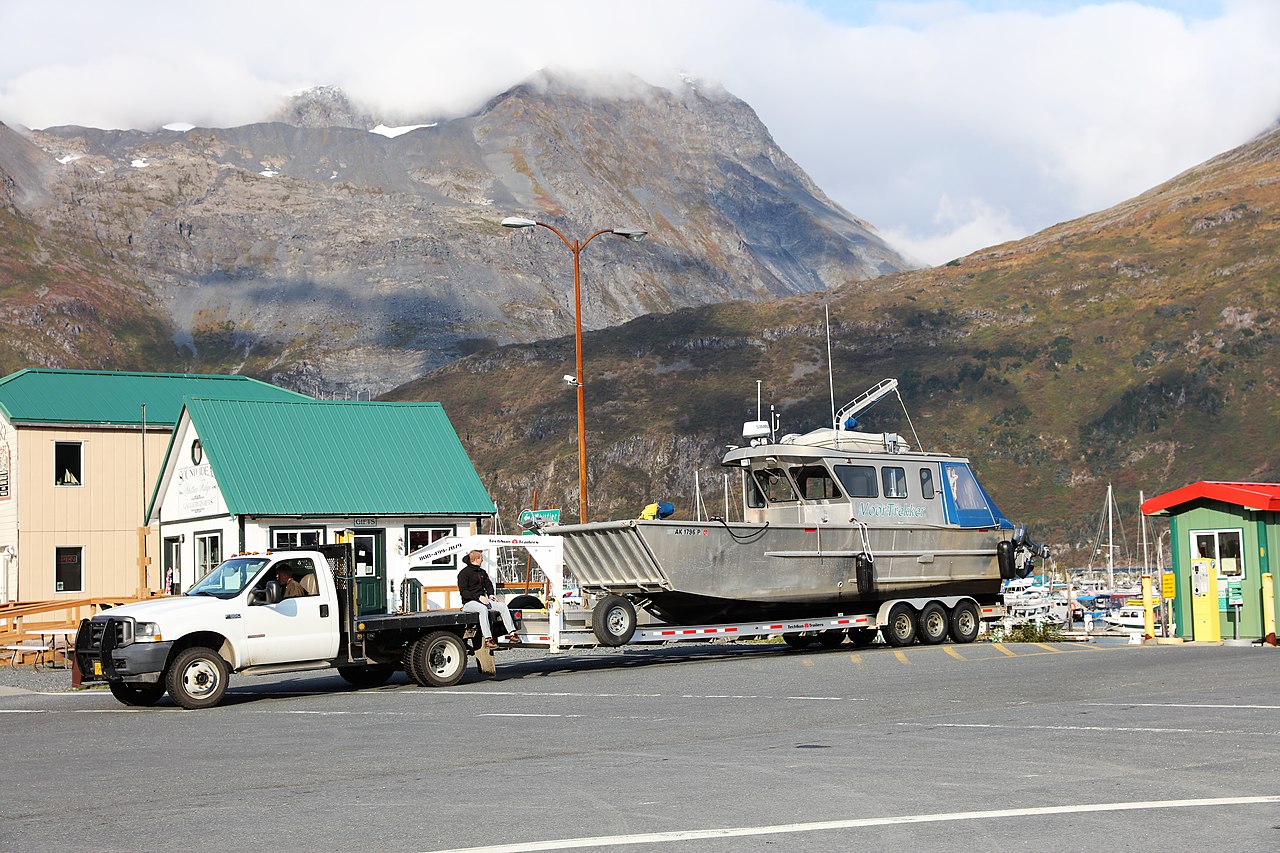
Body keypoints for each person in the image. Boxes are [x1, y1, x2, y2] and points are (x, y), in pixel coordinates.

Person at [457, 549, 519, 649]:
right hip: (469, 603)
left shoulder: (482, 572)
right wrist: (478, 597)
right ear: (476, 559)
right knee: (483, 609)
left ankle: (512, 633)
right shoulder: (463, 574)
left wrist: (490, 594)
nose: (482, 560)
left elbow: (488, 585)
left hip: (483, 600)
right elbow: (464, 592)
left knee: (502, 606)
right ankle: (488, 639)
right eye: (481, 558)